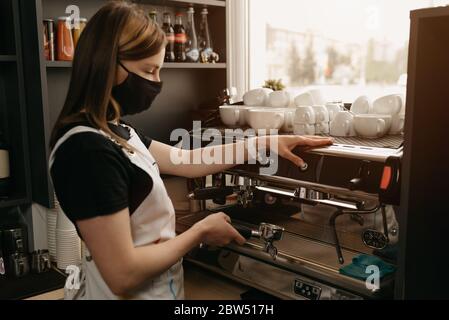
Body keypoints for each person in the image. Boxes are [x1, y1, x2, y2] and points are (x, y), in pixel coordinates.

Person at [49, 1, 333, 300]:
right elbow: (123, 274)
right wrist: (199, 232)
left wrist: (264, 143)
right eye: (148, 70)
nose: (156, 83)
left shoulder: (114, 130)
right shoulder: (86, 151)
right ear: (108, 65)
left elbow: (185, 160)